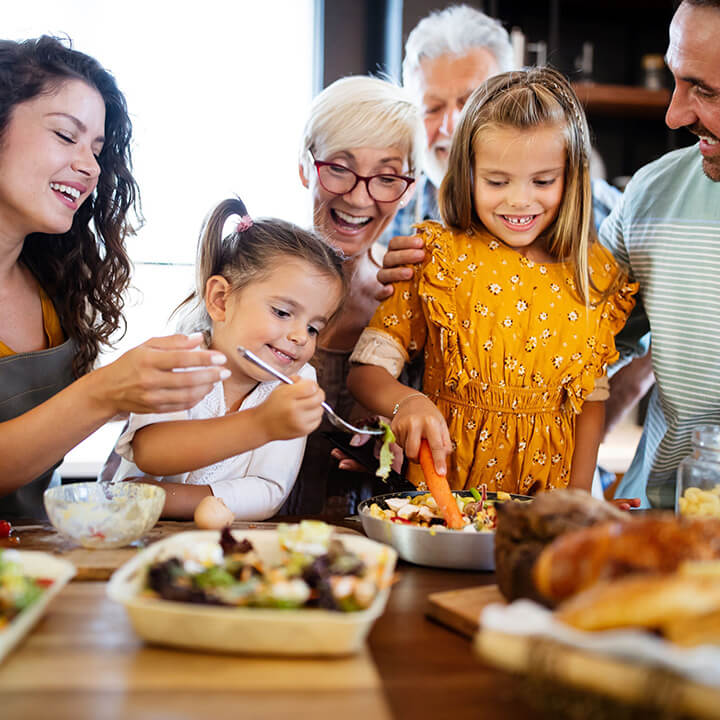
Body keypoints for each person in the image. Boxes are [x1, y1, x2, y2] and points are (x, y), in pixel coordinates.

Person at [346, 67, 637, 495]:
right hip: (440, 503)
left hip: (543, 509)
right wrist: (407, 401)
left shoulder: (592, 275)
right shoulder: (436, 258)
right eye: (497, 182)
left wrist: (576, 500)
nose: (520, 199)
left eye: (543, 181)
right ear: (467, 172)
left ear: (572, 177)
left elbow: (589, 403)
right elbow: (365, 372)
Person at [0, 36, 228, 521]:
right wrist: (106, 392)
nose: (89, 166)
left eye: (97, 149)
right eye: (66, 136)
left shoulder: (53, 287)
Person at [110, 197, 345, 520]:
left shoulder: (298, 383)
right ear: (221, 300)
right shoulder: (178, 361)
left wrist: (161, 499)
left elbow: (268, 491)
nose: (300, 337)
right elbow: (151, 451)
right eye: (282, 312)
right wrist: (262, 425)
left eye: (314, 327)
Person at [277, 76, 424, 517]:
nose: (360, 197)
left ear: (409, 187)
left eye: (386, 177)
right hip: (246, 526)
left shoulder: (408, 297)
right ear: (306, 165)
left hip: (364, 538)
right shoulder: (248, 277)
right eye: (339, 168)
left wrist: (390, 445)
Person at [602, 0, 720, 508]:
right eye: (676, 80)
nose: (675, 115)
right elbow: (575, 344)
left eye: (707, 90)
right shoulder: (651, 196)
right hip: (653, 529)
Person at [384, 4, 621, 246]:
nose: (452, 126)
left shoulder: (608, 214)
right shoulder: (384, 219)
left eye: (472, 103)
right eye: (432, 108)